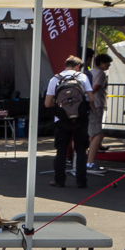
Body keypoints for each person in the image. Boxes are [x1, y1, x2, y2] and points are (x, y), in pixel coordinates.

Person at [45, 56, 94, 188]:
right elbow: (90, 98)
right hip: (80, 119)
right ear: (78, 66)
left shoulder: (55, 79)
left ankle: (59, 180)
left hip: (61, 120)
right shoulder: (83, 78)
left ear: (66, 65)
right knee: (81, 150)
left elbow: (47, 103)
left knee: (61, 150)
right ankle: (81, 181)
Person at [87, 54, 112, 168]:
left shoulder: (90, 72)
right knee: (97, 132)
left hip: (90, 104)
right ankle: (90, 160)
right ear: (102, 62)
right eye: (107, 63)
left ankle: (94, 150)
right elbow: (95, 88)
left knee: (91, 130)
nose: (108, 65)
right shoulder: (101, 74)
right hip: (97, 103)